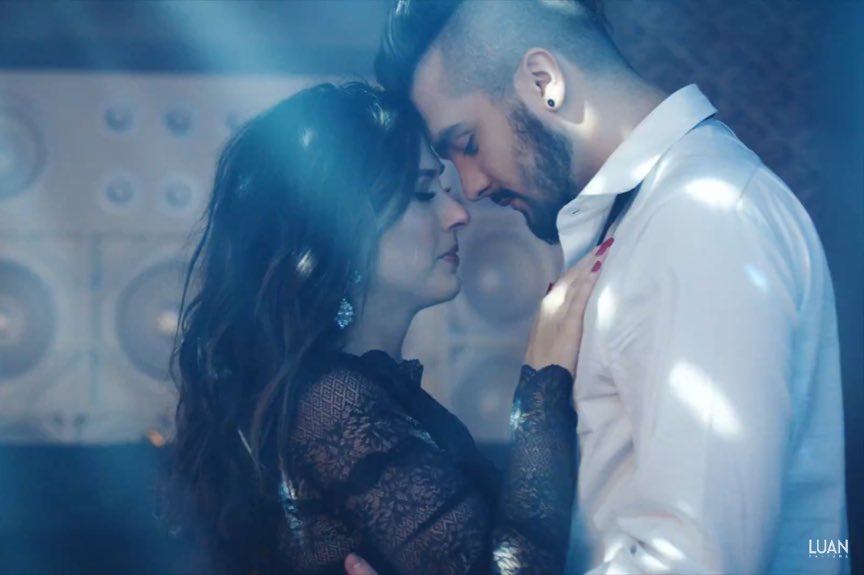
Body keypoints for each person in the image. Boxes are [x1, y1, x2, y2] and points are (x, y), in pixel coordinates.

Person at [365, 1, 849, 574]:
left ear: (544, 82)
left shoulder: (701, 218)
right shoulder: (655, 216)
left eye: (467, 142)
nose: (469, 188)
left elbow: (695, 561)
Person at [162, 81, 610, 574]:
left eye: (444, 190)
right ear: (337, 225)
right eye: (423, 193)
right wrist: (543, 380)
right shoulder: (331, 402)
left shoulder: (351, 392)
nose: (458, 213)